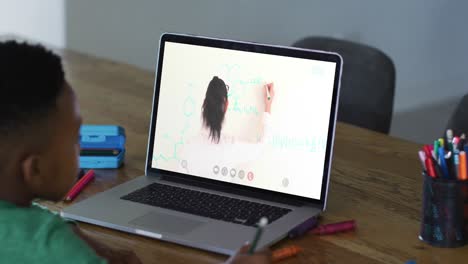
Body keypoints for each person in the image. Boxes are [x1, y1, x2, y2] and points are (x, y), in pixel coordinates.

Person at [0, 41, 271, 264]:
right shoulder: (55, 249)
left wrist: (72, 233)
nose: (81, 147)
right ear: (34, 169)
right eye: (75, 138)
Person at [179, 76, 275, 176]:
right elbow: (261, 146)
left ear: (204, 104)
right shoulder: (231, 147)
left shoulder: (188, 147)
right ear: (226, 105)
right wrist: (268, 103)